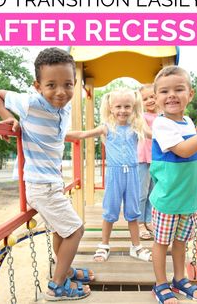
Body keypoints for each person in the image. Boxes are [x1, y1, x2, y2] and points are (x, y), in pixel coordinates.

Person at [0, 47, 94, 301]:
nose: (61, 92)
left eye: (68, 84)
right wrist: (8, 119)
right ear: (38, 86)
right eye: (51, 85)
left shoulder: (66, 107)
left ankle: (65, 270)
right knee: (75, 230)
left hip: (52, 182)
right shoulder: (30, 102)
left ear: (74, 83)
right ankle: (57, 286)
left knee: (62, 230)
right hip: (40, 184)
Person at [67, 88, 152, 263]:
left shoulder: (137, 125)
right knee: (110, 211)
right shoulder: (107, 128)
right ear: (111, 108)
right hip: (114, 174)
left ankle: (136, 247)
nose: (123, 110)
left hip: (133, 173)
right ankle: (104, 245)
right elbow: (83, 134)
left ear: (133, 107)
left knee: (133, 212)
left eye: (127, 106)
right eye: (118, 106)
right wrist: (60, 135)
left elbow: (155, 136)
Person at [150, 65, 197, 304]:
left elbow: (186, 139)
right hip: (168, 198)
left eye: (178, 89)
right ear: (155, 99)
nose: (171, 95)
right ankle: (160, 283)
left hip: (186, 198)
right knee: (162, 243)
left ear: (190, 94)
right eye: (164, 91)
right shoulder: (161, 123)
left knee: (181, 242)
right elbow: (184, 150)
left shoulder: (185, 120)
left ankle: (179, 278)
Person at [138, 84, 158, 240]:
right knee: (142, 192)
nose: (150, 100)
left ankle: (148, 220)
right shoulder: (141, 117)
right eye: (145, 99)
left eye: (152, 96)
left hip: (157, 158)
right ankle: (139, 223)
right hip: (143, 157)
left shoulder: (163, 116)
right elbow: (147, 132)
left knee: (153, 192)